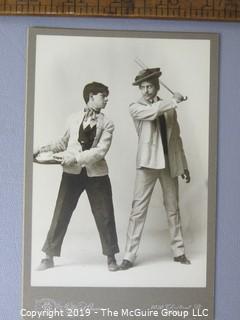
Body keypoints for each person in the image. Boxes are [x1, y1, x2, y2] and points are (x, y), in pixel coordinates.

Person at [34, 82, 119, 272]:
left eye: (106, 96)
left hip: (97, 174)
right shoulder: (73, 118)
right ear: (91, 96)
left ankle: (111, 257)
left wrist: (76, 158)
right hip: (71, 174)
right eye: (103, 96)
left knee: (105, 214)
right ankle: (49, 256)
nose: (106, 99)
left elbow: (100, 151)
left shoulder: (108, 123)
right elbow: (62, 142)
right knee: (61, 212)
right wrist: (40, 149)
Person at [120, 68, 191, 270]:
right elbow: (153, 111)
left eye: (149, 86)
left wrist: (183, 164)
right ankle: (128, 256)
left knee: (173, 208)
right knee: (138, 211)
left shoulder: (169, 108)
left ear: (156, 86)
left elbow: (176, 138)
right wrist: (174, 100)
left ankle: (179, 252)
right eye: (142, 87)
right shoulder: (135, 107)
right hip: (147, 163)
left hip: (169, 163)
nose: (145, 90)